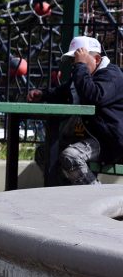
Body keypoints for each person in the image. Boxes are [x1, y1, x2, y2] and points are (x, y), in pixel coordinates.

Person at [27, 35, 123, 185]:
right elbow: (64, 91)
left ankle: (96, 198)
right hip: (87, 136)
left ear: (97, 59)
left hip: (107, 141)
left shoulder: (112, 75)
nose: (75, 64)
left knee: (71, 157)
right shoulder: (83, 76)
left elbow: (94, 96)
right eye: (74, 61)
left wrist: (81, 67)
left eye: (79, 60)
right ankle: (65, 193)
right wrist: (43, 94)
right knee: (44, 153)